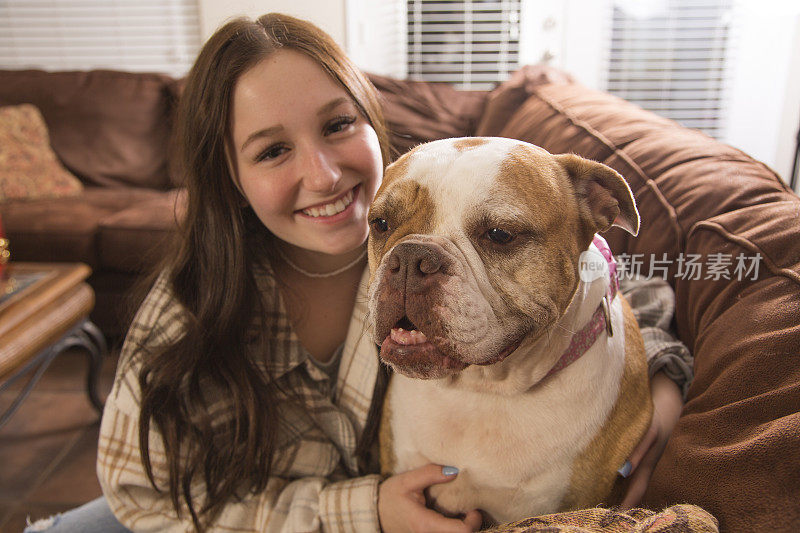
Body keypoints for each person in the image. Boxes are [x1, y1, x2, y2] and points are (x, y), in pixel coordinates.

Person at [25, 13, 688, 533]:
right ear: (230, 178)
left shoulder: (413, 206)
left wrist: (658, 375)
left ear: (375, 124)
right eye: (273, 149)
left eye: (339, 125)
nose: (323, 174)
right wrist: (362, 510)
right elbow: (145, 496)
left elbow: (616, 280)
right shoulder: (192, 308)